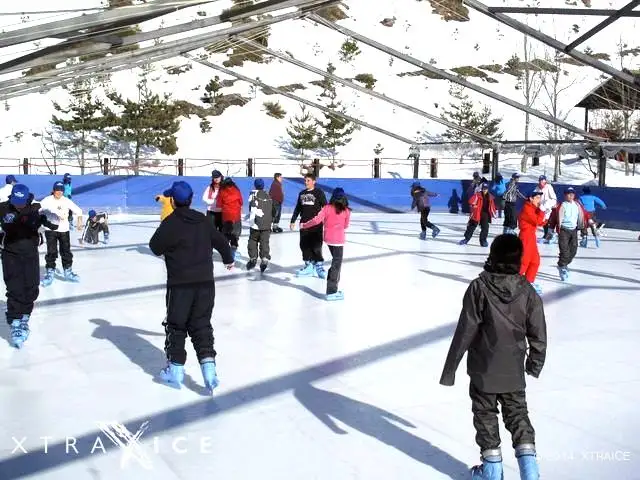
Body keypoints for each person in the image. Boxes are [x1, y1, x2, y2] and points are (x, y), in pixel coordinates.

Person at [439, 234, 547, 480]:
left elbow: (465, 331)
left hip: (483, 370)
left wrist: (450, 369)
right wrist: (535, 362)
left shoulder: (479, 287)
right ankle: (530, 473)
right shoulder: (528, 291)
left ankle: (492, 472)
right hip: (513, 371)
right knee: (518, 416)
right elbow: (538, 331)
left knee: (486, 417)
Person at [149, 181, 234, 394]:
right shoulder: (203, 221)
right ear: (191, 199)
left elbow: (154, 247)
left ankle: (175, 371)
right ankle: (209, 371)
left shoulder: (170, 223)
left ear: (172, 200)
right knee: (201, 324)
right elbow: (222, 242)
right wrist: (228, 260)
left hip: (180, 285)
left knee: (177, 325)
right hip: (205, 283)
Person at [0, 184, 59, 348]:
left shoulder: (36, 209)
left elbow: (54, 223)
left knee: (31, 286)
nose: (18, 204)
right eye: (15, 200)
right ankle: (15, 322)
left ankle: (25, 316)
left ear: (27, 199)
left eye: (21, 201)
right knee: (15, 287)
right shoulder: (2, 208)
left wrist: (48, 217)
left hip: (30, 253)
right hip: (10, 253)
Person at [301, 187, 351, 301]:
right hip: (338, 241)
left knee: (335, 262)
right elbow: (346, 226)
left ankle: (332, 286)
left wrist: (305, 225)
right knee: (336, 265)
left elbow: (316, 220)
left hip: (328, 239)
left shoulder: (327, 208)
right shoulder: (346, 210)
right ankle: (331, 291)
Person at [39, 181, 83, 286]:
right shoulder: (47, 200)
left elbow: (78, 211)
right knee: (51, 252)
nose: (59, 192)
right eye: (57, 190)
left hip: (64, 230)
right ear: (53, 190)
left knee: (66, 251)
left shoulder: (66, 201)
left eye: (61, 190)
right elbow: (38, 209)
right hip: (51, 230)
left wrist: (80, 221)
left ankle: (68, 271)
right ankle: (50, 271)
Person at [290, 173, 327, 277]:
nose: (306, 182)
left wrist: (327, 220)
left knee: (316, 245)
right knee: (304, 245)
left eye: (308, 180)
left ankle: (319, 266)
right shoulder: (302, 193)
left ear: (314, 181)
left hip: (316, 224)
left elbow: (325, 207)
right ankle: (308, 265)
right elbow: (298, 208)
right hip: (304, 223)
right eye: (305, 180)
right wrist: (293, 220)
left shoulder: (319, 192)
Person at [555, 187, 585, 282]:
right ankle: (562, 266)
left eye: (572, 194)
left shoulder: (577, 205)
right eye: (568, 193)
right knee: (564, 250)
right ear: (565, 195)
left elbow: (584, 215)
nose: (571, 195)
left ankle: (563, 263)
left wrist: (585, 227)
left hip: (574, 230)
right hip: (564, 230)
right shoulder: (562, 205)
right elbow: (553, 217)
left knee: (574, 249)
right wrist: (551, 229)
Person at [518, 190, 545, 294]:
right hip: (526, 237)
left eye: (539, 198)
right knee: (524, 261)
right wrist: (542, 212)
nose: (539, 200)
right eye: (537, 198)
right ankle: (513, 282)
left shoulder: (533, 208)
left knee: (535, 261)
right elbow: (537, 221)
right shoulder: (527, 208)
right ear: (531, 198)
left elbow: (541, 222)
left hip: (531, 237)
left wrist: (545, 213)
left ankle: (529, 282)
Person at [246, 178, 273, 272]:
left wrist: (250, 218)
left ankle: (253, 258)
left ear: (255, 185)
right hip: (267, 224)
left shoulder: (253, 194)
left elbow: (252, 208)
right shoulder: (268, 196)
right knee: (264, 242)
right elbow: (274, 210)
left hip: (256, 224)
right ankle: (265, 258)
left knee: (253, 240)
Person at [459, 183, 496, 247]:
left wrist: (494, 213)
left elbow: (492, 206)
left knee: (485, 228)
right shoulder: (477, 195)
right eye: (484, 189)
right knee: (471, 226)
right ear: (482, 189)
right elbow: (471, 201)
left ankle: (483, 241)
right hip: (477, 212)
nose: (485, 190)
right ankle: (466, 239)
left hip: (485, 214)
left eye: (486, 189)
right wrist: (474, 206)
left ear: (488, 189)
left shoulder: (490, 196)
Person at [216, 177, 243, 260]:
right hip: (236, 216)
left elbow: (219, 204)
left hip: (226, 216)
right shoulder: (237, 190)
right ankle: (233, 250)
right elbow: (241, 202)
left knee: (226, 234)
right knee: (235, 234)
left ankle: (226, 251)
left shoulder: (222, 191)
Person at [536, 175, 557, 241]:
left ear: (545, 180)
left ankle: (550, 235)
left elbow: (554, 198)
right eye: (540, 180)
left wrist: (548, 204)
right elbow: (535, 195)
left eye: (542, 180)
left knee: (548, 221)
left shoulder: (549, 187)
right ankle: (546, 234)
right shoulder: (537, 188)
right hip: (541, 207)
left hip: (548, 207)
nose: (541, 181)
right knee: (543, 221)